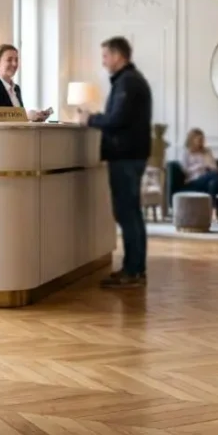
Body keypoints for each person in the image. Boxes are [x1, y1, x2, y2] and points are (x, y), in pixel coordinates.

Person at [79, 37, 153, 289]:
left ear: (118, 56)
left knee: (127, 213)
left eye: (105, 56)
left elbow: (117, 119)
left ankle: (133, 271)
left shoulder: (128, 82)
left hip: (126, 157)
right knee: (130, 213)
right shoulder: (130, 80)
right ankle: (135, 269)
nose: (103, 62)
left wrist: (90, 119)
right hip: (130, 155)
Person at [0, 44, 52, 122]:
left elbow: (17, 123)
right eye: (9, 60)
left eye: (16, 60)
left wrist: (34, 118)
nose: (14, 64)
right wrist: (26, 115)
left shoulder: (16, 89)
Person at [180, 128, 218, 216]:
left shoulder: (206, 151)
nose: (201, 142)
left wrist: (211, 164)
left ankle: (213, 214)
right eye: (199, 140)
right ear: (192, 140)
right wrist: (200, 166)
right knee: (215, 176)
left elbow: (215, 168)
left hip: (207, 179)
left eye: (202, 139)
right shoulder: (186, 153)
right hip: (193, 181)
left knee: (213, 183)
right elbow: (185, 171)